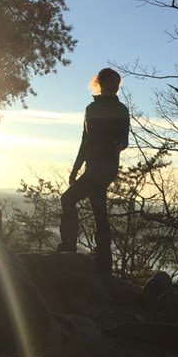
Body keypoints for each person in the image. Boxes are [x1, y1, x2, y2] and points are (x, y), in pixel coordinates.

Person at [58, 68, 130, 275]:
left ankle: (70, 247)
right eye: (110, 83)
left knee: (68, 199)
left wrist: (117, 145)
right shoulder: (91, 108)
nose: (114, 87)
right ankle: (103, 258)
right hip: (93, 166)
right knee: (98, 209)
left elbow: (125, 139)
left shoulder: (121, 110)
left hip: (106, 166)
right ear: (101, 83)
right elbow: (85, 140)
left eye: (117, 84)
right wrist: (75, 169)